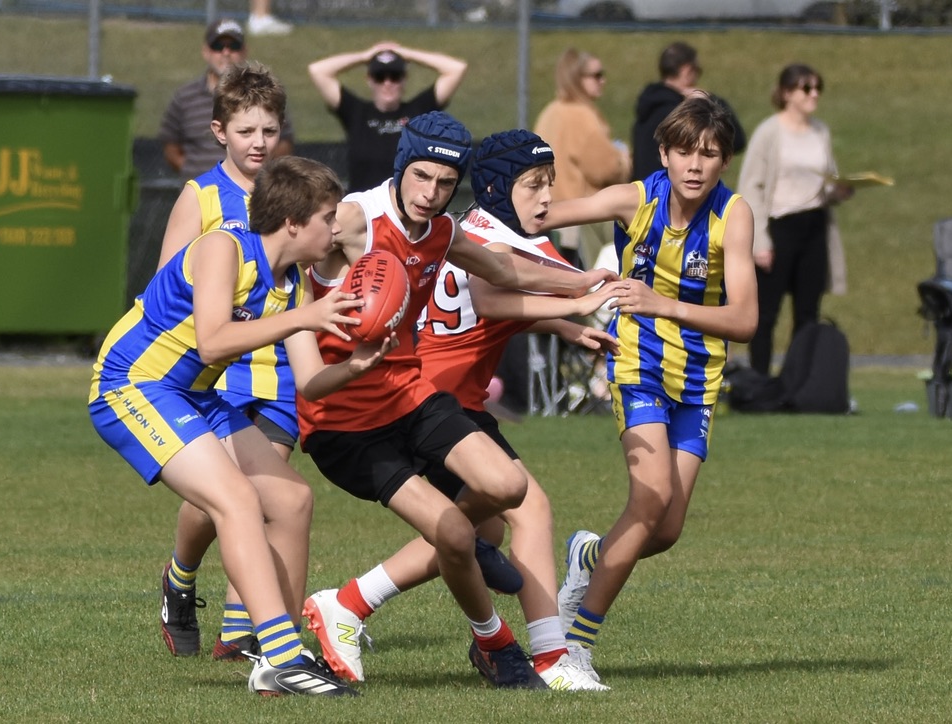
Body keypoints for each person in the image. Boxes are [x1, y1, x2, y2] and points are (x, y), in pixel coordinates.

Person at [296, 111, 617, 689]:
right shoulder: (355, 218)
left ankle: (363, 597)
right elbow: (284, 245)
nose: (430, 193)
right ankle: (512, 648)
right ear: (401, 168)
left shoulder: (443, 231)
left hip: (411, 394)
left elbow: (500, 269)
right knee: (467, 532)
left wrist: (577, 286)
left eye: (445, 183)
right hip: (347, 419)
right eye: (421, 177)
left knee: (508, 490)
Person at [89, 156, 396, 697]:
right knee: (236, 500)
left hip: (193, 394)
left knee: (293, 501)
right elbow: (212, 341)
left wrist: (355, 366)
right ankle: (281, 659)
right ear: (293, 223)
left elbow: (310, 381)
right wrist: (305, 318)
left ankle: (284, 657)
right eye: (328, 217)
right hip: (132, 384)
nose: (336, 229)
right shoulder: (222, 248)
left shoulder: (292, 283)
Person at [538, 93, 758, 683]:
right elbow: (544, 215)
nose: (695, 164)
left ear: (724, 161)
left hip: (699, 377)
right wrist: (504, 198)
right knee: (650, 496)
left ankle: (589, 554)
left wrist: (663, 303)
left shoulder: (733, 215)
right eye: (684, 151)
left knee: (665, 530)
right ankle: (573, 647)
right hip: (637, 362)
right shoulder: (636, 200)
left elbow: (745, 320)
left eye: (709, 153)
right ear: (664, 153)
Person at [152, 62, 302, 661]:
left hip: (282, 371)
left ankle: (240, 631)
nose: (259, 143)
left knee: (269, 498)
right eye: (246, 131)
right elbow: (167, 286)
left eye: (269, 130)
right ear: (219, 132)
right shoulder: (203, 196)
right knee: (216, 500)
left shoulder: (293, 195)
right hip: (220, 370)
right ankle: (180, 575)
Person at [737, 63, 853, 375]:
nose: (814, 94)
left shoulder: (820, 131)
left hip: (814, 225)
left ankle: (798, 382)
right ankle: (760, 380)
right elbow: (750, 186)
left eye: (818, 88)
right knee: (767, 312)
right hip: (780, 226)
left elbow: (825, 179)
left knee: (807, 312)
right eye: (806, 88)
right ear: (787, 93)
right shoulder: (770, 132)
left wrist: (838, 191)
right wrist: (759, 241)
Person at [307, 42, 468, 193]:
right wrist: (364, 57)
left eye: (395, 76)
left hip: (404, 206)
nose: (387, 83)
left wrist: (407, 54)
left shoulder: (419, 111)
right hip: (362, 206)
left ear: (404, 79)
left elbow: (456, 69)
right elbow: (318, 71)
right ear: (369, 80)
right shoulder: (356, 112)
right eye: (380, 77)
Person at [159, 18, 295, 180]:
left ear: (244, 51)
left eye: (234, 46)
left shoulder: (264, 95)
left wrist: (259, 173)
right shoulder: (184, 97)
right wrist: (197, 176)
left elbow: (285, 142)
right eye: (218, 46)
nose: (226, 52)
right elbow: (170, 144)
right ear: (206, 51)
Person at [534, 47, 630, 271]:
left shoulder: (550, 111)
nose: (603, 81)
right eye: (596, 75)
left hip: (550, 213)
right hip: (581, 219)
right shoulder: (581, 115)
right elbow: (605, 170)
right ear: (576, 78)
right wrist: (624, 159)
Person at [631, 41, 746, 183]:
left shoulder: (647, 107)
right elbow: (735, 139)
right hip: (673, 191)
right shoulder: (684, 114)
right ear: (687, 71)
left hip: (645, 190)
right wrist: (709, 101)